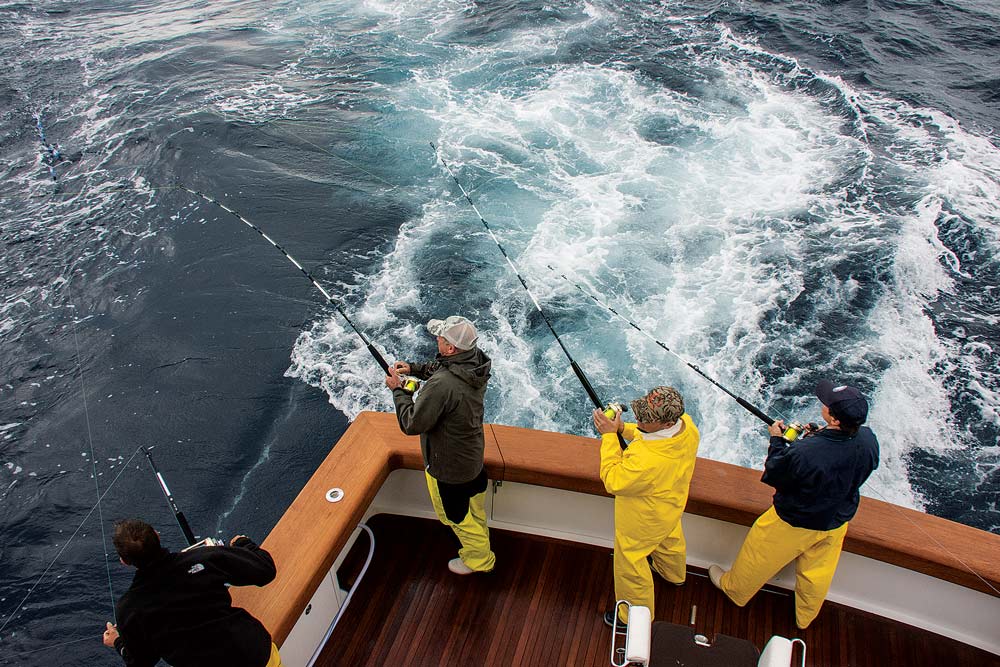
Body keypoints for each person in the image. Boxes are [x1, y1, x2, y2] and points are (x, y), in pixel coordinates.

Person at [708, 380, 880, 629]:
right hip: (836, 522)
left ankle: (734, 591)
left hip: (794, 521)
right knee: (816, 575)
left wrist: (777, 441)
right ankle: (805, 616)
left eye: (827, 405)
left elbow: (775, 474)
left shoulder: (805, 452)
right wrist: (822, 436)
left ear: (835, 420)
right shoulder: (868, 439)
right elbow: (843, 457)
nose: (823, 404)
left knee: (757, 558)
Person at [386, 315, 495, 575]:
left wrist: (399, 391)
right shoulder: (476, 361)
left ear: (450, 348)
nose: (437, 339)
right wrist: (412, 368)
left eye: (441, 338)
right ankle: (481, 537)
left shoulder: (443, 385)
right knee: (474, 508)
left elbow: (412, 424)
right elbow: (444, 370)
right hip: (472, 458)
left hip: (450, 468)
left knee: (458, 519)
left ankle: (480, 561)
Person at [101, 518, 282, 667]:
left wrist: (118, 642)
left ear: (124, 561)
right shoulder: (206, 558)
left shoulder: (129, 607)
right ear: (157, 535)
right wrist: (244, 543)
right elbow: (265, 570)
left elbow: (142, 661)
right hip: (256, 654)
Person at [592, 385, 701, 628]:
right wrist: (621, 428)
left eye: (645, 418)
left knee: (630, 562)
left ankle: (632, 618)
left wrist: (609, 436)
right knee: (669, 539)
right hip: (670, 504)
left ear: (664, 423)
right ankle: (674, 575)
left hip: (644, 519)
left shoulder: (646, 461)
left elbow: (613, 480)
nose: (639, 419)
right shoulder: (687, 427)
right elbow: (647, 435)